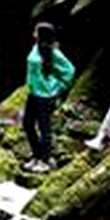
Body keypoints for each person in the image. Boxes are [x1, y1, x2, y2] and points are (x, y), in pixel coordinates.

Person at [22, 22, 76, 173]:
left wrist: (58, 88)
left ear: (41, 34)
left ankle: (45, 161)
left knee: (44, 128)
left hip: (46, 97)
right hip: (33, 94)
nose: (33, 32)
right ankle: (37, 155)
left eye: (36, 31)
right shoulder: (36, 47)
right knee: (27, 124)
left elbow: (70, 70)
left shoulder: (54, 53)